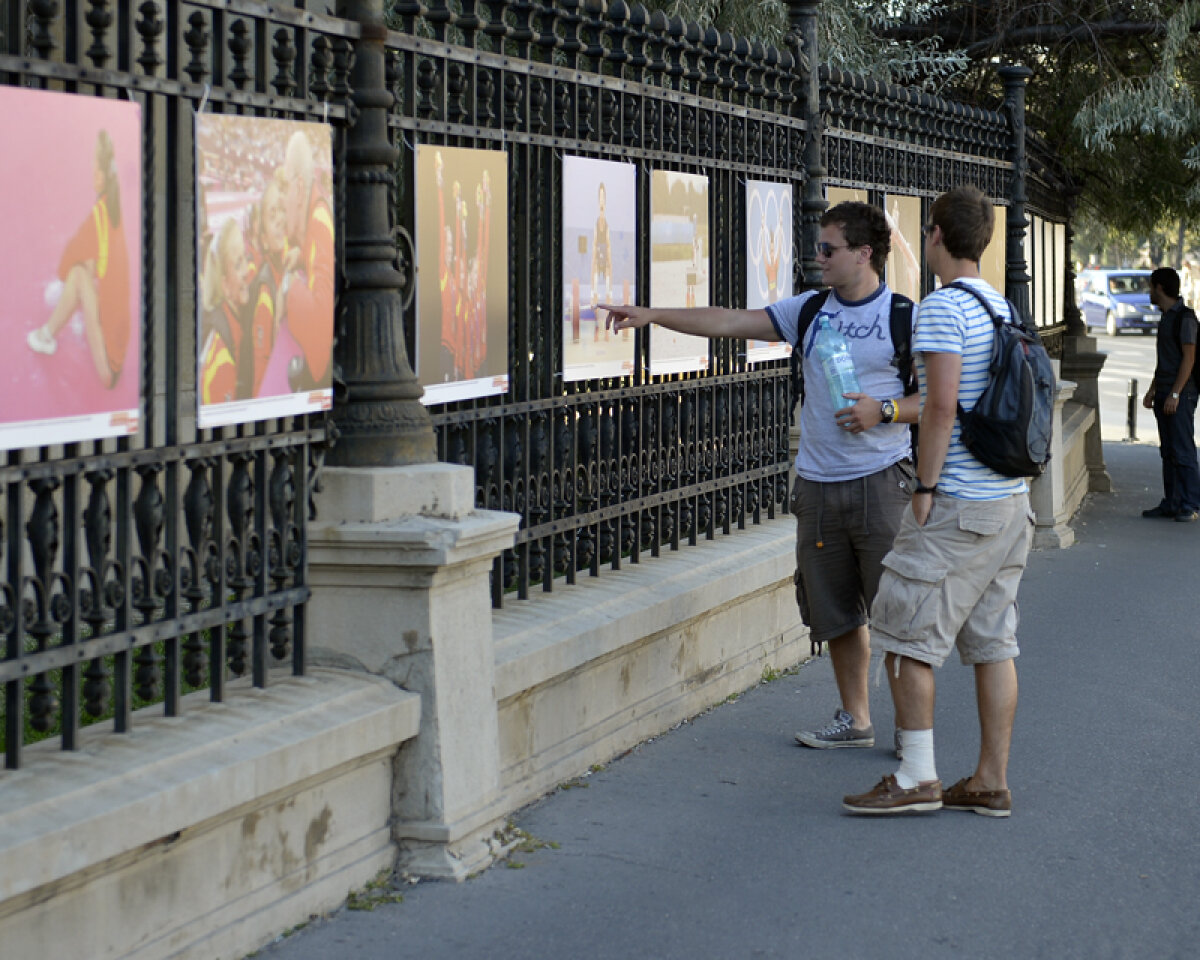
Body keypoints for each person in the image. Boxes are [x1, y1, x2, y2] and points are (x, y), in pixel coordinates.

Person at [603, 201, 919, 752]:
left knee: (894, 612)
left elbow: (941, 400)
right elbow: (729, 320)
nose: (818, 257)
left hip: (881, 480)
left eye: (829, 249)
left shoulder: (902, 316)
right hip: (818, 482)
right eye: (818, 247)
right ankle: (856, 718)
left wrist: (884, 411)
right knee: (836, 610)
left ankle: (912, 733)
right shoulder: (810, 309)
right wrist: (652, 315)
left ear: (865, 254)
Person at [842, 186, 1034, 817]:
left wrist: (924, 488)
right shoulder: (998, 304)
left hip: (959, 504)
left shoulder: (942, 309)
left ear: (934, 235)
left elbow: (943, 406)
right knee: (993, 644)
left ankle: (916, 777)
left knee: (903, 634)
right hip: (1008, 504)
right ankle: (990, 779)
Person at [27, 129, 132, 389]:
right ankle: (52, 330)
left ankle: (47, 335)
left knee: (76, 274)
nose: (92, 172)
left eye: (95, 167)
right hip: (116, 351)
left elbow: (66, 262)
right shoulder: (113, 212)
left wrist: (78, 269)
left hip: (108, 364)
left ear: (104, 174)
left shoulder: (99, 215)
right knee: (86, 270)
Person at [1140, 267, 1200, 522]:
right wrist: (1153, 390)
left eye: (1151, 287)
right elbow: (1165, 359)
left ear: (1160, 288)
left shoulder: (1185, 318)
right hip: (1165, 390)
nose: (1149, 292)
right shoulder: (1166, 317)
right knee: (1168, 451)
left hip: (1181, 394)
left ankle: (1190, 504)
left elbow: (1189, 358)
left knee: (1183, 449)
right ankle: (1172, 502)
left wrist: (1175, 394)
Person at [281, 130, 334, 393]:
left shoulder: (318, 222)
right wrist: (301, 257)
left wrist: (289, 287)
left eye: (285, 186)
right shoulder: (316, 216)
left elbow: (318, 320)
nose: (283, 199)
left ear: (299, 187)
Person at [199, 218, 252, 405]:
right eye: (238, 265)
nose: (247, 270)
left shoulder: (231, 318)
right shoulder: (222, 365)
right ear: (225, 287)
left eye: (246, 257)